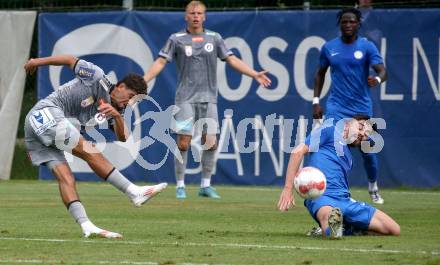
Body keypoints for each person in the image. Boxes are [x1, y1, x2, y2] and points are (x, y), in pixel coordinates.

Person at [24, 55, 168, 239]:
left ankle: (86, 225)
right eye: (130, 97)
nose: (129, 103)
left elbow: (122, 137)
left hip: (41, 128)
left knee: (67, 178)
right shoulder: (97, 76)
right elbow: (69, 60)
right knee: (89, 149)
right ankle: (133, 191)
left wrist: (117, 116)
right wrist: (37, 62)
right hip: (46, 113)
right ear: (121, 87)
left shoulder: (117, 109)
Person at [143, 1, 271, 199]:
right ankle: (180, 185)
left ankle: (205, 185)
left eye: (199, 13)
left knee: (210, 142)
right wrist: (143, 81)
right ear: (186, 16)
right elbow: (161, 61)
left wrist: (254, 74)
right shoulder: (176, 39)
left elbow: (231, 59)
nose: (195, 16)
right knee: (184, 142)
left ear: (205, 17)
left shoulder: (214, 38)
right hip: (184, 98)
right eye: (192, 13)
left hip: (209, 98)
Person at [277, 117, 400, 238]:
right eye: (361, 127)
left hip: (345, 200)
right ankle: (332, 226)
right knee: (329, 220)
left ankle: (346, 228)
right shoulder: (330, 130)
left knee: (393, 229)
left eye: (366, 136)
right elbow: (298, 152)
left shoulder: (349, 159)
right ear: (349, 122)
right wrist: (288, 188)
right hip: (321, 197)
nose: (362, 134)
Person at [312, 7, 387, 204]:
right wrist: (316, 101)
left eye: (351, 21)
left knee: (367, 150)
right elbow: (320, 74)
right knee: (335, 148)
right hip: (336, 107)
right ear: (340, 24)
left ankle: (373, 186)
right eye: (344, 21)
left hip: (361, 108)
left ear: (358, 24)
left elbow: (382, 70)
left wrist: (377, 80)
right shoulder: (329, 47)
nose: (347, 25)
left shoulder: (367, 47)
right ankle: (337, 190)